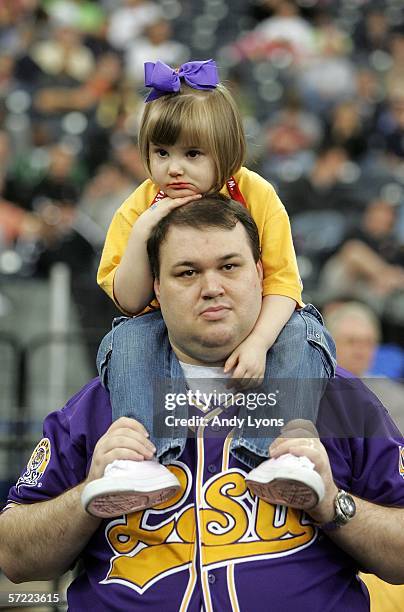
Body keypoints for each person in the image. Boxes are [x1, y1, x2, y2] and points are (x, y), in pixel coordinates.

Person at [1, 198, 404, 611]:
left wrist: (332, 502)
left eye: (229, 266)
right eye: (187, 272)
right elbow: (14, 554)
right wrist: (88, 493)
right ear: (156, 287)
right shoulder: (102, 403)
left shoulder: (338, 397)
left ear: (261, 274)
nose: (211, 287)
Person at [88, 58, 336, 517]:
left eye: (192, 155)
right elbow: (129, 299)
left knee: (304, 331)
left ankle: (283, 452)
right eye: (161, 154)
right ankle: (140, 459)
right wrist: (145, 230)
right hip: (170, 329)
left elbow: (284, 284)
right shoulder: (140, 204)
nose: (174, 169)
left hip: (261, 319)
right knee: (124, 337)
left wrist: (260, 342)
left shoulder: (256, 193)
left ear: (226, 154)